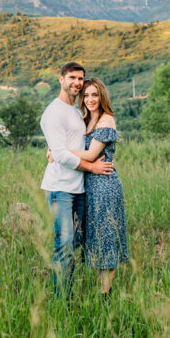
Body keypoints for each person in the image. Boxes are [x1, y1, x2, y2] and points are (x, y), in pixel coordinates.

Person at [40, 62, 113, 298]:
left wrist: (55, 150)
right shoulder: (54, 112)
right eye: (72, 77)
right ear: (60, 79)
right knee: (64, 245)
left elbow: (69, 147)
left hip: (79, 188)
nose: (77, 83)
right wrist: (91, 165)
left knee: (77, 244)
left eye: (80, 78)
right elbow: (60, 153)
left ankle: (69, 290)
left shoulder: (76, 111)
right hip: (60, 188)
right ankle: (62, 301)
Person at [60, 78, 128, 295]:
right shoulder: (85, 120)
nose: (90, 99)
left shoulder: (106, 120)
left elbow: (90, 154)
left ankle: (105, 294)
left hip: (105, 185)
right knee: (97, 237)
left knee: (107, 236)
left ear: (102, 97)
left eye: (94, 95)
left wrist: (59, 152)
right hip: (89, 185)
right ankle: (102, 290)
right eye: (86, 95)